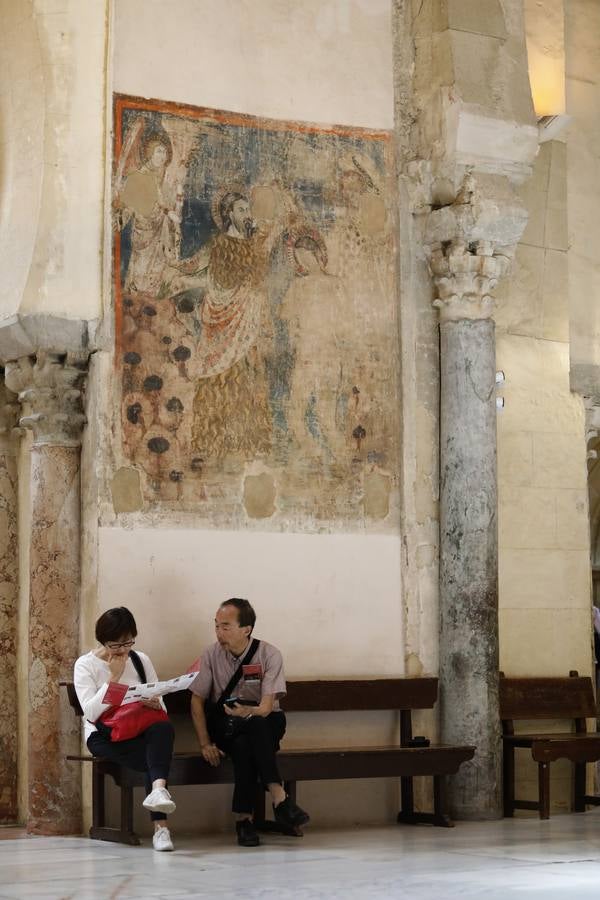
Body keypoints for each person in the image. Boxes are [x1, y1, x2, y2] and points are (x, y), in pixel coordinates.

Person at [190, 597, 309, 846]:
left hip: (265, 720)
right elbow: (197, 702)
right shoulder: (210, 655)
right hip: (226, 723)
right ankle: (278, 796)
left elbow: (266, 708)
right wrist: (205, 744)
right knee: (248, 737)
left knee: (249, 738)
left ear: (247, 629)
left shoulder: (269, 654)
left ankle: (244, 821)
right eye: (216, 626)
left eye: (226, 626)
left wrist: (246, 712)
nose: (219, 632)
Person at [73, 606, 176, 852]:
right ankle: (161, 828)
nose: (123, 650)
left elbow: (159, 700)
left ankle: (158, 793)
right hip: (104, 735)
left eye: (127, 643)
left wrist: (153, 701)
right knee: (155, 756)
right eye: (115, 645)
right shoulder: (85, 665)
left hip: (139, 728)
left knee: (163, 729)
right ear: (102, 640)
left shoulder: (141, 660)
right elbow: (90, 712)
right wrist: (113, 679)